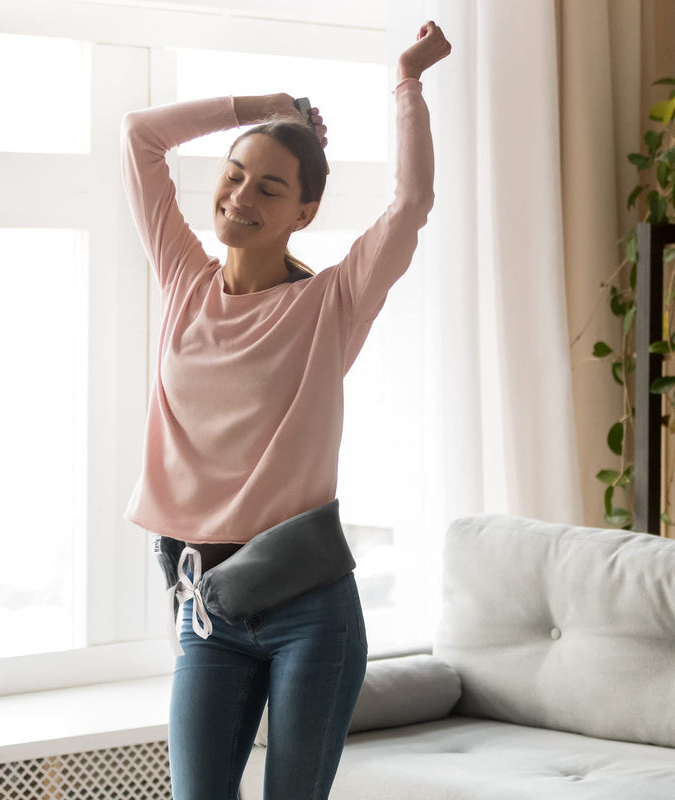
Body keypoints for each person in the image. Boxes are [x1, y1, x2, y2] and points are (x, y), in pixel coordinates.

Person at [120, 19, 452, 800]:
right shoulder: (183, 281)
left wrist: (407, 79)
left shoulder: (332, 303)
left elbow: (411, 203)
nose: (241, 196)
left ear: (304, 213)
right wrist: (260, 105)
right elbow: (139, 136)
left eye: (270, 188)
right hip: (208, 608)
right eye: (235, 174)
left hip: (311, 612)